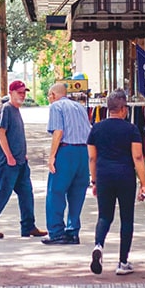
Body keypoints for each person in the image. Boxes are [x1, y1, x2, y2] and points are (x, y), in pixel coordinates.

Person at [86, 89, 145, 275]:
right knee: (126, 218)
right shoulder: (131, 129)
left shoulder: (96, 128)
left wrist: (94, 181)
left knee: (104, 216)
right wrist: (143, 184)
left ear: (108, 108)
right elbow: (137, 157)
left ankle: (98, 245)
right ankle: (122, 262)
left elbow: (92, 158)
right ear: (123, 109)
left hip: (104, 175)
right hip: (125, 176)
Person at [0, 80, 46, 239]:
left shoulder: (16, 110)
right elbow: (1, 133)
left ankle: (28, 226)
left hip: (21, 162)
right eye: (19, 92)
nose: (22, 95)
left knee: (26, 193)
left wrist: (22, 154)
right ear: (11, 93)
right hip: (8, 163)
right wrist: (9, 156)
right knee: (3, 193)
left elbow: (16, 136)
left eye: (24, 92)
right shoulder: (7, 109)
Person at [43, 81, 92, 244]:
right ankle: (73, 231)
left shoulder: (56, 107)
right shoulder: (80, 108)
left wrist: (52, 156)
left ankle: (56, 232)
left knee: (55, 192)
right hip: (83, 151)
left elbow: (58, 132)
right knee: (77, 193)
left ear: (53, 95)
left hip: (66, 151)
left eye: (49, 96)